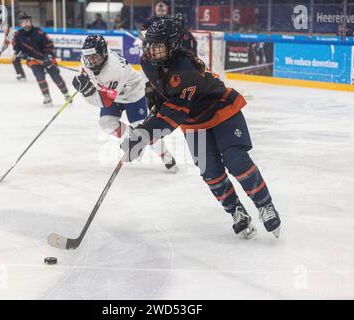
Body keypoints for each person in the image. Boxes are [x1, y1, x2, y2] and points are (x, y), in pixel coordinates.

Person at [120, 18, 281, 239]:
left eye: (159, 45)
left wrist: (144, 134)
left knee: (236, 160)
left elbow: (174, 113)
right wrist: (154, 97)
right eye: (151, 44)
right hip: (194, 123)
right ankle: (236, 211)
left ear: (173, 45)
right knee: (210, 171)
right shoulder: (148, 61)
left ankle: (265, 205)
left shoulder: (185, 70)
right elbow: (159, 88)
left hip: (222, 111)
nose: (153, 49)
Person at [72, 34, 178, 172]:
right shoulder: (86, 60)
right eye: (89, 57)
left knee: (142, 129)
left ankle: (165, 155)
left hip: (132, 94)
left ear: (103, 52)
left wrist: (86, 91)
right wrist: (84, 79)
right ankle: (136, 139)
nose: (91, 61)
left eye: (95, 57)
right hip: (112, 94)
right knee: (107, 124)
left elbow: (104, 101)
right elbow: (87, 71)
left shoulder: (113, 70)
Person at [12, 12, 71, 106]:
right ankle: (46, 96)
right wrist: (21, 54)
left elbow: (49, 45)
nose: (25, 23)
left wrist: (48, 56)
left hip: (46, 59)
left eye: (27, 21)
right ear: (20, 24)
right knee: (40, 77)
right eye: (23, 22)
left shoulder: (39, 32)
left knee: (56, 76)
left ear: (30, 21)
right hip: (33, 60)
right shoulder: (18, 35)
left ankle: (66, 94)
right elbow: (16, 47)